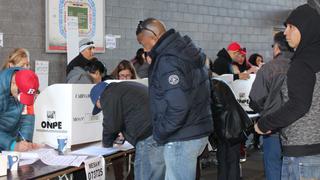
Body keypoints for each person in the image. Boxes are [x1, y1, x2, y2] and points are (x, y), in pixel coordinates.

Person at [136, 18, 213, 180]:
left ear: (154, 36)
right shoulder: (184, 52)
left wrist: (160, 132)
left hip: (181, 136)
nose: (145, 49)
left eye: (144, 44)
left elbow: (178, 106)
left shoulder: (168, 60)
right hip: (195, 130)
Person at [253, 4, 320, 180]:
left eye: (291, 27)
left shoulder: (302, 64)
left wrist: (264, 124)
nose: (285, 32)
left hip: (303, 153)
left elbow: (298, 105)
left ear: (305, 29)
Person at [89, 81, 165, 180]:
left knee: (144, 176)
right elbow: (130, 112)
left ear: (99, 100)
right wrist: (124, 132)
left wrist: (106, 144)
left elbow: (111, 124)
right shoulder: (122, 88)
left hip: (147, 136)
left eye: (100, 107)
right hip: (160, 130)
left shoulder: (108, 95)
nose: (102, 108)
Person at [249, 31, 294, 180]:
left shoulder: (268, 68)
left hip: (271, 128)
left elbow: (255, 99)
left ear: (277, 47)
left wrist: (264, 110)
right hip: (296, 128)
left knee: (273, 166)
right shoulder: (302, 65)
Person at [211, 77, 253, 180]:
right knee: (232, 161)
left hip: (224, 129)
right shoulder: (218, 83)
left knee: (224, 162)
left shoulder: (208, 88)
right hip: (233, 127)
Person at [0, 68, 42, 152]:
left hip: (10, 143)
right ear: (13, 84)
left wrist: (26, 141)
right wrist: (11, 145)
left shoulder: (28, 81)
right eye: (22, 95)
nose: (23, 101)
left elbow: (27, 117)